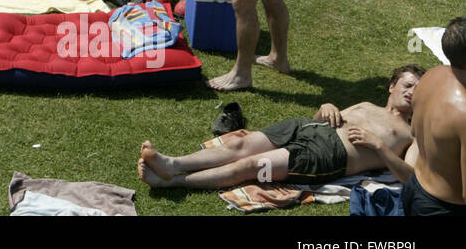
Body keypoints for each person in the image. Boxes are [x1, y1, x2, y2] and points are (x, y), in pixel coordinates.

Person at [140, 66, 424, 189]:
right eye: (407, 84)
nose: (411, 91)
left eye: (417, 89)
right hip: (307, 127)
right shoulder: (365, 105)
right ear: (391, 86)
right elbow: (324, 117)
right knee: (239, 145)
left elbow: (410, 179)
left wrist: (379, 147)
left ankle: (173, 181)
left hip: (327, 155)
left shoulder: (413, 135)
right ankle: (172, 163)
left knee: (251, 166)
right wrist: (325, 107)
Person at [405, 18, 466, 215]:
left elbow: (414, 131)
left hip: (415, 187)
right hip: (443, 209)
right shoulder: (464, 115)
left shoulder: (431, 76)